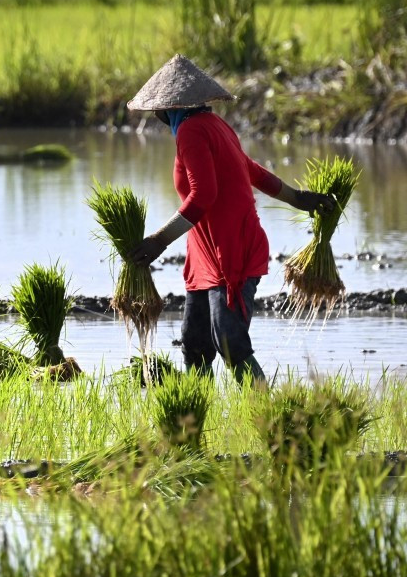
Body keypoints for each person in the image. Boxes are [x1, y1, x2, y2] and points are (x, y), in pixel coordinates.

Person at [125, 54, 338, 384]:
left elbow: (204, 195)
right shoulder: (215, 125)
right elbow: (251, 170)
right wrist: (297, 198)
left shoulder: (192, 131)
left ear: (171, 108)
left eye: (158, 109)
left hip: (232, 250)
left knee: (228, 339)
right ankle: (193, 409)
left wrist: (159, 240)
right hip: (205, 254)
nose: (156, 115)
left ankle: (263, 406)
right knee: (195, 342)